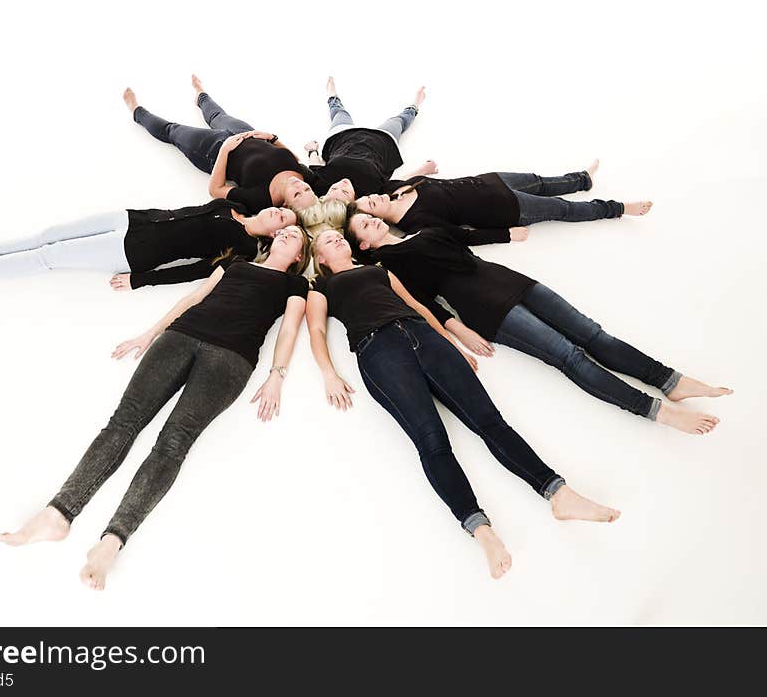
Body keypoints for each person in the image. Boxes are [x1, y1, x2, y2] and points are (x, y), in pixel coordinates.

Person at [0, 226, 311, 590]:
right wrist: (150, 333)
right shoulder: (237, 265)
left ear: (300, 254)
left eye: (296, 234)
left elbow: (288, 331)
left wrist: (277, 375)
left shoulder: (296, 288)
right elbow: (192, 299)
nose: (287, 233)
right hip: (181, 337)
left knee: (173, 443)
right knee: (122, 423)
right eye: (283, 229)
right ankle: (57, 514)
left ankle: (112, 541)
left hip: (231, 359)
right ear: (271, 240)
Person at [307, 229, 621, 579]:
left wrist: (451, 344)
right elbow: (317, 331)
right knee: (431, 441)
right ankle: (482, 531)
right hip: (378, 350)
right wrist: (328, 373)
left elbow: (417, 307)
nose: (335, 240)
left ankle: (559, 493)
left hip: (424, 336)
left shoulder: (380, 270)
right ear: (319, 258)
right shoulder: (320, 290)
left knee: (490, 420)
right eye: (326, 241)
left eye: (338, 236)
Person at [344, 212, 732, 435]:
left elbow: (468, 234)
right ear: (361, 245)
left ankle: (671, 382)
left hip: (513, 281)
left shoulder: (423, 227)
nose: (371, 221)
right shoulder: (388, 264)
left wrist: (508, 234)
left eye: (369, 217)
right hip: (489, 310)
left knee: (594, 333)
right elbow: (424, 303)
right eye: (362, 226)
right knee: (570, 356)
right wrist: (457, 331)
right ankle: (655, 410)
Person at [0, 200, 298, 287]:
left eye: (285, 224)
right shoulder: (235, 204)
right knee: (46, 234)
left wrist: (140, 280)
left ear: (273, 236)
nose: (280, 216)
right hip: (133, 219)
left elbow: (196, 272)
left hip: (134, 253)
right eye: (283, 212)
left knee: (48, 257)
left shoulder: (244, 251)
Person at [123, 77, 318, 214]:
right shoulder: (305, 177)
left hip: (213, 151)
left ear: (285, 204)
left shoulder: (261, 200)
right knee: (218, 116)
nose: (299, 185)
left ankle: (136, 110)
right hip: (249, 134)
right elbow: (294, 158)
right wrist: (272, 138)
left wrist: (225, 149)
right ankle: (200, 95)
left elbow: (215, 190)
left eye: (297, 194)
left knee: (172, 131)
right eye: (306, 190)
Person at [351, 160, 653, 244]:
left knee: (542, 180)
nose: (373, 199)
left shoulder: (394, 188)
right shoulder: (414, 223)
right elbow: (462, 237)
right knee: (564, 208)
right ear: (380, 221)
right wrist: (505, 236)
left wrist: (423, 171)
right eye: (370, 206)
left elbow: (414, 178)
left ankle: (582, 179)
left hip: (492, 181)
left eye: (367, 197)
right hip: (505, 209)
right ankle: (619, 209)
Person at [296, 77, 437, 234]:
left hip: (343, 136)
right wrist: (424, 170)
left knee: (338, 112)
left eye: (334, 187)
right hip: (381, 141)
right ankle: (415, 105)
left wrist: (312, 150)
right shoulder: (368, 194)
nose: (342, 183)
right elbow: (398, 184)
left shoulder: (320, 185)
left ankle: (332, 95)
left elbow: (315, 166)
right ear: (353, 203)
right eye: (345, 192)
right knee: (399, 120)